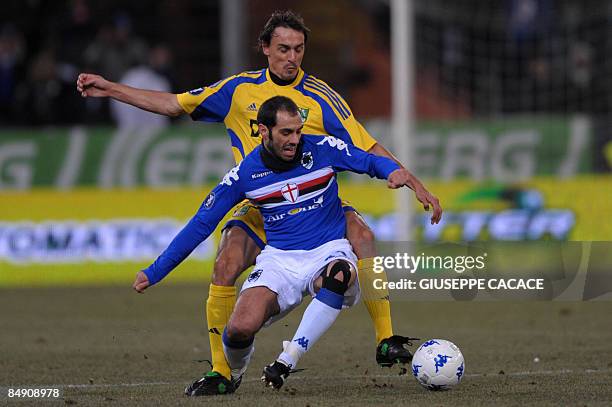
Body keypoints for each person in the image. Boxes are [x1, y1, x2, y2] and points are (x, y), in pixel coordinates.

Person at [76, 10, 442, 395]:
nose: (292, 57)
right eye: (283, 48)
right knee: (227, 261)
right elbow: (173, 105)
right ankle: (222, 371)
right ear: (265, 48)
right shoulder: (237, 91)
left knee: (362, 234)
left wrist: (414, 182)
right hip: (258, 203)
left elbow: (366, 149)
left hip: (313, 201)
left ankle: (384, 338)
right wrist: (111, 89)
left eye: (299, 49)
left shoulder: (321, 98)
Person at [137, 96, 441, 393]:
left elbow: (369, 161)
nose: (295, 139)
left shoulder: (321, 149)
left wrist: (400, 175)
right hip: (279, 260)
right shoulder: (245, 175)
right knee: (239, 329)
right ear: (263, 131)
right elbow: (200, 225)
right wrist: (155, 271)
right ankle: (232, 372)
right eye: (286, 132)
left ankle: (287, 359)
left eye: (298, 131)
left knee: (340, 274)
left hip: (329, 250)